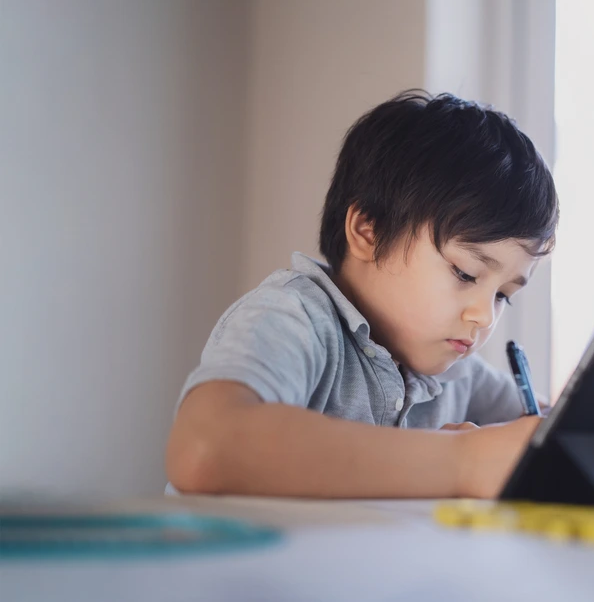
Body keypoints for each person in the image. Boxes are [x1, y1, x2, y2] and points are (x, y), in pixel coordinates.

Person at [165, 90, 559, 499]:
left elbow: (557, 431)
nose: (484, 316)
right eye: (465, 273)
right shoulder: (294, 318)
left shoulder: (456, 373)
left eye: (503, 295)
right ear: (368, 231)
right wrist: (462, 460)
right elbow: (205, 447)